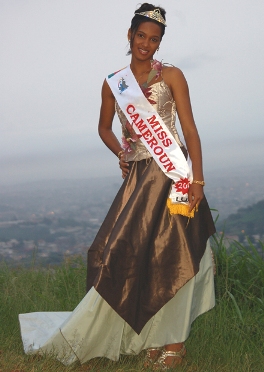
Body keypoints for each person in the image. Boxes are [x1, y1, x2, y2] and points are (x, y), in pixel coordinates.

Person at [19, 3, 215, 370]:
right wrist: (121, 152)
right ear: (130, 35)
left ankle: (174, 343)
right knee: (122, 256)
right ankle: (154, 337)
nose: (146, 44)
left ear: (160, 43)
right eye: (141, 36)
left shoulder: (172, 76)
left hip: (174, 177)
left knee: (176, 257)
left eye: (154, 39)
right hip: (140, 181)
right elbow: (104, 128)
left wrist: (198, 180)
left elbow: (190, 130)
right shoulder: (116, 83)